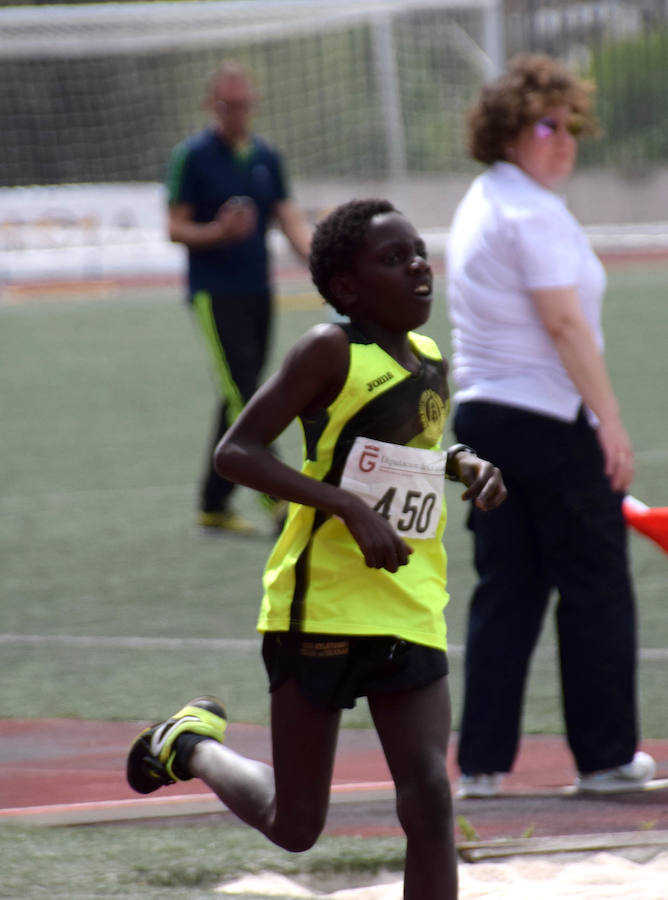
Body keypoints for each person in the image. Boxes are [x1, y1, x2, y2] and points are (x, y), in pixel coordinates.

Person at [126, 198, 507, 899]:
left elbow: (406, 453)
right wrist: (344, 506)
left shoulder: (428, 359)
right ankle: (188, 745)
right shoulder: (329, 350)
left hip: (406, 600)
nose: (418, 266)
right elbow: (236, 452)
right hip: (319, 606)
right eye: (393, 258)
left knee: (428, 800)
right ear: (347, 288)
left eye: (418, 250)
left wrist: (462, 463)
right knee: (297, 823)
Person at [445, 53, 656, 798]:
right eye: (546, 124)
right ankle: (603, 758)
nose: (563, 139)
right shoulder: (530, 211)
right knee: (595, 584)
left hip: (482, 423)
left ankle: (479, 766)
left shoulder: (482, 200)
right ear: (508, 129)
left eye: (570, 126)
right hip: (546, 422)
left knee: (507, 591)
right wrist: (610, 419)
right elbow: (564, 323)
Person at [167, 61, 311, 534]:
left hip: (258, 289)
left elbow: (289, 219)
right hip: (215, 293)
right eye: (228, 106)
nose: (237, 113)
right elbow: (174, 227)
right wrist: (217, 231)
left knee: (237, 393)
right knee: (246, 394)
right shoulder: (192, 157)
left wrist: (322, 260)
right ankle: (280, 501)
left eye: (244, 105)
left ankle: (214, 504)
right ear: (212, 106)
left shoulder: (267, 157)